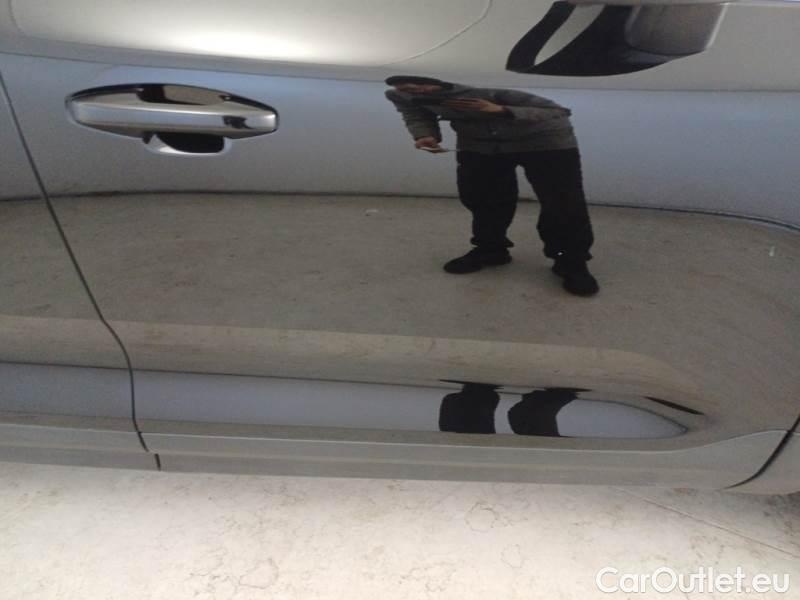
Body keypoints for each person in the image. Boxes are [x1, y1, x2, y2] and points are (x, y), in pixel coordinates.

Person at [385, 75, 599, 296]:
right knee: (482, 198)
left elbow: (558, 111)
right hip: (480, 144)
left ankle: (571, 260)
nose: (414, 91)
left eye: (418, 86)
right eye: (406, 88)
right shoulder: (401, 95)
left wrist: (500, 109)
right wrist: (425, 135)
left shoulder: (486, 91)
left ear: (436, 83)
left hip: (544, 140)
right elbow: (415, 113)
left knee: (563, 201)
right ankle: (490, 250)